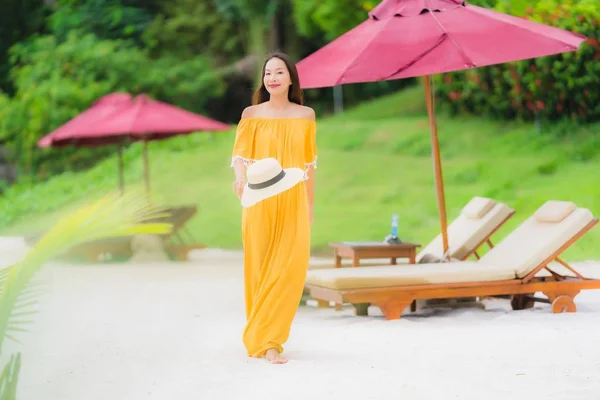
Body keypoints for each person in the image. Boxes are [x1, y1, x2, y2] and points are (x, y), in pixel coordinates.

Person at [230, 51, 317, 364]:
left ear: (291, 77)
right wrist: (240, 178)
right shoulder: (251, 114)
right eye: (268, 73)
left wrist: (310, 205)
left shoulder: (306, 116)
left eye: (279, 72)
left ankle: (269, 336)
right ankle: (265, 340)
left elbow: (309, 165)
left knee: (289, 269)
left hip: (293, 199)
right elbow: (240, 155)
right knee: (259, 267)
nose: (273, 77)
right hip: (259, 200)